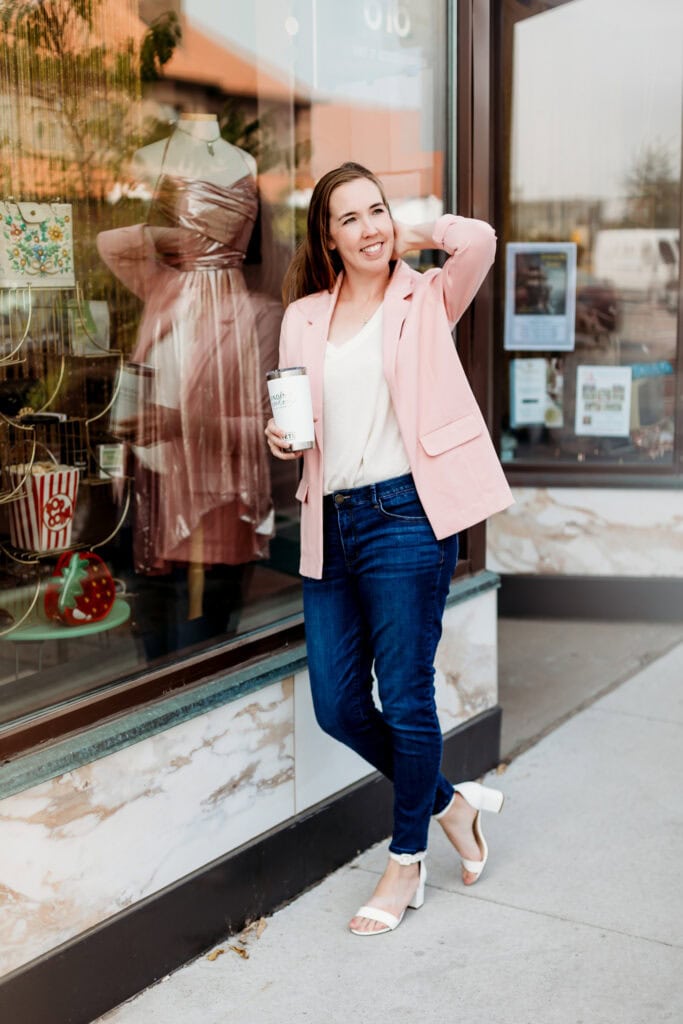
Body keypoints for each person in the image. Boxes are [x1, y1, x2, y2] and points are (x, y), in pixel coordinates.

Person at [265, 162, 513, 936]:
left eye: (377, 211)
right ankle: (451, 804)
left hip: (408, 514)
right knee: (339, 704)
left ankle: (405, 862)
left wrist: (405, 234)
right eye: (351, 219)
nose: (369, 227)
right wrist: (277, 437)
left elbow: (478, 240)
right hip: (331, 520)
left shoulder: (429, 295)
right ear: (325, 237)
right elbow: (294, 417)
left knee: (404, 695)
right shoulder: (302, 316)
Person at [98, 114, 275, 655]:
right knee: (154, 627)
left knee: (208, 628)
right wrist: (187, 241)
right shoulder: (162, 288)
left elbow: (267, 432)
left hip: (214, 488)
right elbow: (113, 243)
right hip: (153, 479)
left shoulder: (257, 318)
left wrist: (214, 254)